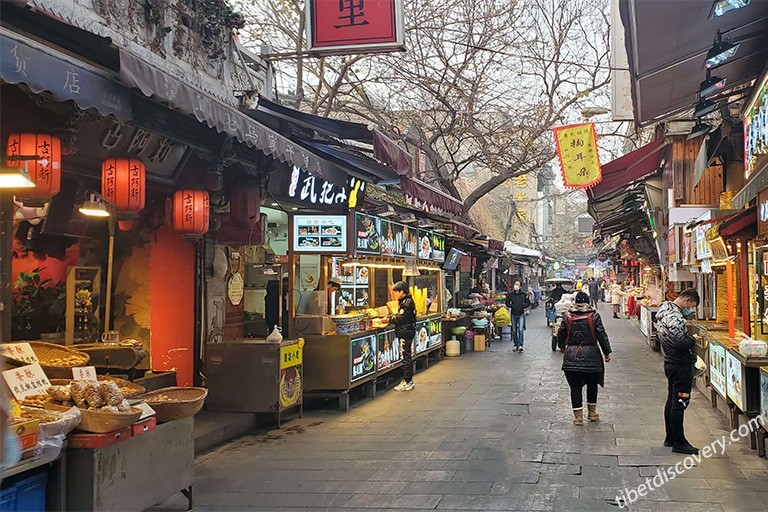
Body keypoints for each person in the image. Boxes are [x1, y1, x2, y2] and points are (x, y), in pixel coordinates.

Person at [656, 288, 701, 455]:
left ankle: (670, 437)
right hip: (679, 364)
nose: (690, 310)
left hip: (670, 362)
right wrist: (693, 339)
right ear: (687, 300)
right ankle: (679, 441)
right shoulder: (674, 317)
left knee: (672, 399)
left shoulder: (664, 309)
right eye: (692, 306)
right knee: (680, 402)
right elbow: (680, 342)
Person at [557, 291, 612, 426]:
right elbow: (601, 335)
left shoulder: (567, 316)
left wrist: (562, 347)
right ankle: (592, 413)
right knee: (592, 385)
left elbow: (560, 335)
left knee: (575, 387)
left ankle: (578, 417)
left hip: (571, 355)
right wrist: (607, 352)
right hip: (592, 355)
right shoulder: (594, 316)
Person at [390, 281, 417, 391]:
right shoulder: (407, 301)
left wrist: (390, 319)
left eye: (397, 292)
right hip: (407, 331)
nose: (396, 294)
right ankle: (408, 380)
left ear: (402, 291)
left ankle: (407, 381)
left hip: (405, 332)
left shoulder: (407, 303)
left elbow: (401, 318)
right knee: (406, 355)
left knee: (405, 356)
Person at [505, 280, 531, 352]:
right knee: (514, 330)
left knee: (520, 330)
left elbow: (528, 303)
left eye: (517, 285)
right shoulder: (511, 294)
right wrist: (512, 306)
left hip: (521, 314)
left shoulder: (523, 294)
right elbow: (507, 303)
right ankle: (515, 344)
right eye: (515, 284)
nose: (516, 286)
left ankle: (520, 345)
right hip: (513, 314)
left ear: (520, 286)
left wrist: (523, 306)